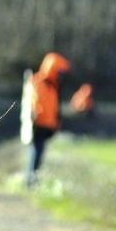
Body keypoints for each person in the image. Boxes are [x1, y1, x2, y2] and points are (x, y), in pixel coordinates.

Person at [23, 52, 71, 187]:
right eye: (59, 72)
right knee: (36, 151)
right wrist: (33, 118)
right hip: (37, 124)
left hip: (47, 125)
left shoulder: (53, 87)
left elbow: (54, 107)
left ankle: (32, 179)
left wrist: (56, 122)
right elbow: (32, 102)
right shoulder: (37, 82)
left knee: (39, 152)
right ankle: (30, 180)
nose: (61, 76)